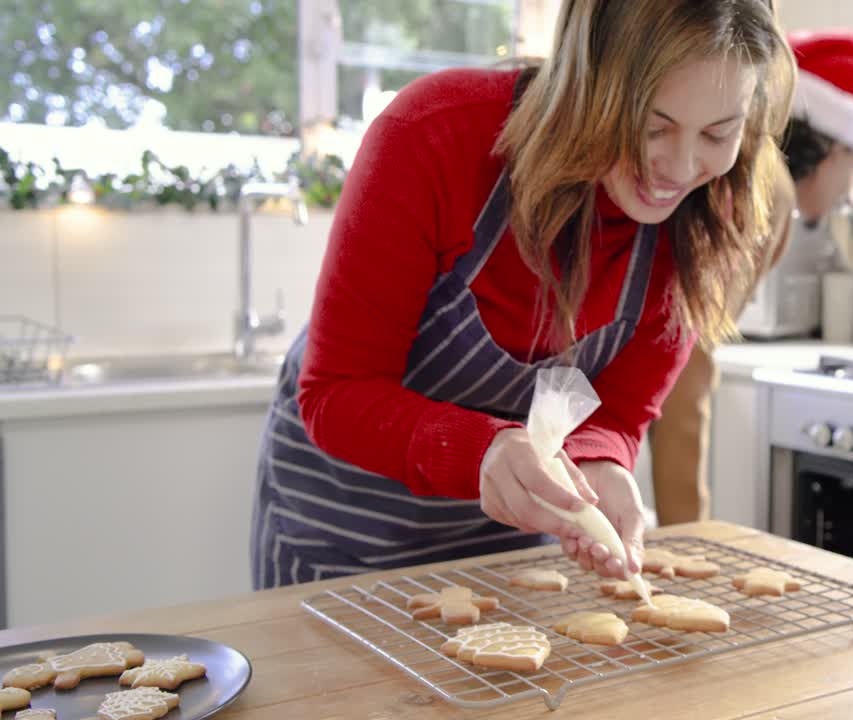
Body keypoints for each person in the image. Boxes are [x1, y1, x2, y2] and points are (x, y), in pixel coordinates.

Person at [249, 0, 796, 590]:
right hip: (341, 534)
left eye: (719, 132)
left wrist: (604, 461)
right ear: (586, 83)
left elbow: (618, 409)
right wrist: (480, 452)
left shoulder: (712, 213)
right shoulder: (436, 135)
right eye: (652, 126)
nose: (681, 167)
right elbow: (336, 392)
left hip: (514, 547)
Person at [648, 31, 853, 525]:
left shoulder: (743, 174)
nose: (851, 195)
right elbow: (683, 362)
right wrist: (687, 536)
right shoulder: (764, 189)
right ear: (828, 142)